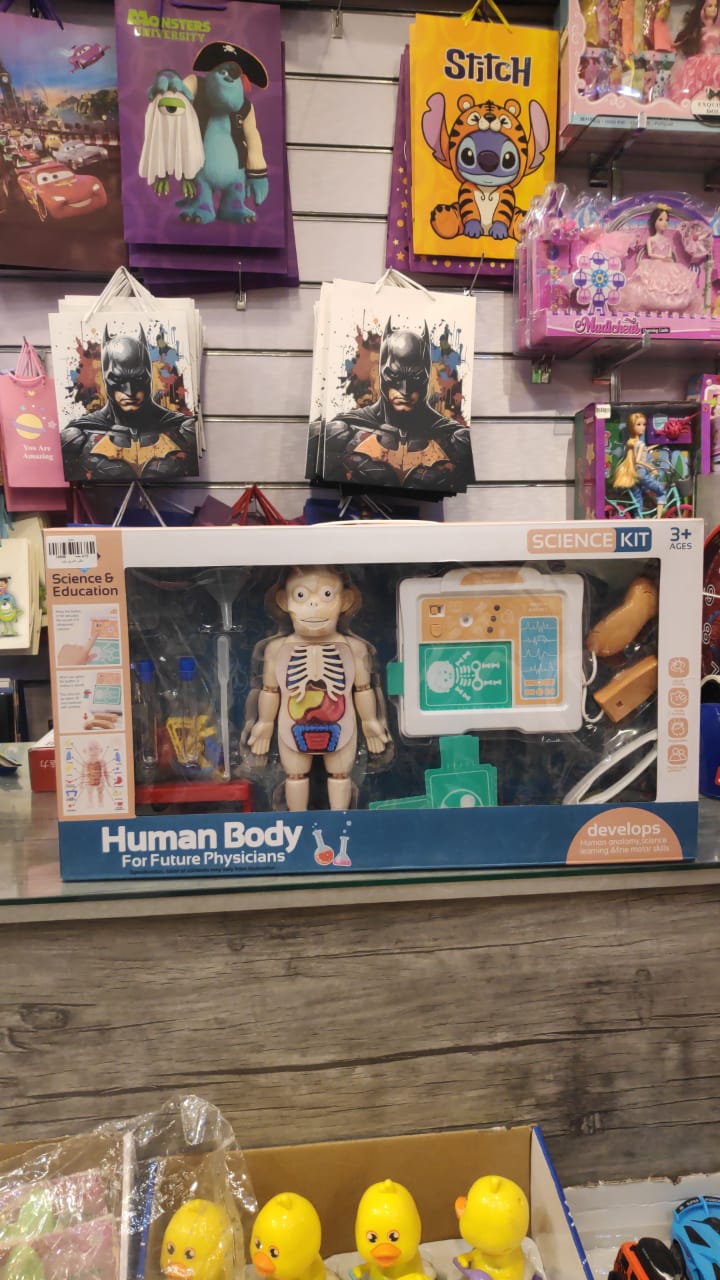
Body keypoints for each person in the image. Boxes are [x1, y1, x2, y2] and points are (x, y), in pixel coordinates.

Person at [322, 319, 474, 495]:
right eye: (394, 376)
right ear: (382, 373)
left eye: (416, 378)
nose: (405, 390)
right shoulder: (343, 431)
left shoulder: (455, 439)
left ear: (426, 378)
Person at [61, 327, 198, 482]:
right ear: (105, 379)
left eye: (138, 379)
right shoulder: (78, 436)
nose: (130, 391)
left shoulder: (183, 430)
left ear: (148, 379)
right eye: (118, 380)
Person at [619, 206, 701, 313]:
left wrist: (669, 259)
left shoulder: (667, 240)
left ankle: (669, 306)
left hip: (668, 265)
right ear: (654, 222)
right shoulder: (651, 239)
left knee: (674, 285)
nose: (664, 223)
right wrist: (663, 258)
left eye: (666, 220)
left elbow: (669, 254)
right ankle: (652, 305)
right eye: (661, 219)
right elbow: (651, 254)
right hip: (654, 264)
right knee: (650, 285)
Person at [611, 411, 668, 516]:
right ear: (632, 426)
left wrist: (654, 446)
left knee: (638, 498)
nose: (643, 427)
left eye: (644, 424)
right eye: (639, 424)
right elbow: (638, 460)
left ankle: (638, 518)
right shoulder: (640, 444)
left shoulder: (631, 443)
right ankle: (659, 519)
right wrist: (651, 467)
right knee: (661, 492)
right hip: (641, 472)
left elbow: (642, 450)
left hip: (634, 472)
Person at [668, 0, 720, 99]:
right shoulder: (698, 30)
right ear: (703, 9)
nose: (714, 9)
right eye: (710, 6)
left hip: (715, 60)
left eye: (715, 6)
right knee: (696, 84)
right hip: (701, 61)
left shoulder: (717, 29)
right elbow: (683, 39)